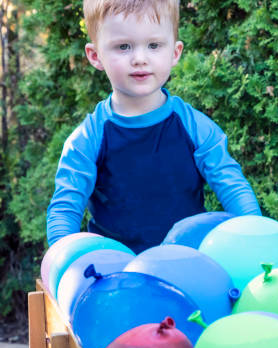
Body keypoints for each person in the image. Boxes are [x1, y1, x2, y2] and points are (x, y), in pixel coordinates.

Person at [46, 0, 261, 254]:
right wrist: (65, 259)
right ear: (95, 56)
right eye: (123, 46)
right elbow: (65, 209)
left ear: (175, 52)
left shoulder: (196, 127)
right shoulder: (87, 138)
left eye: (154, 45)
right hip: (118, 275)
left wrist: (256, 236)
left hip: (188, 264)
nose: (140, 59)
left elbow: (233, 186)